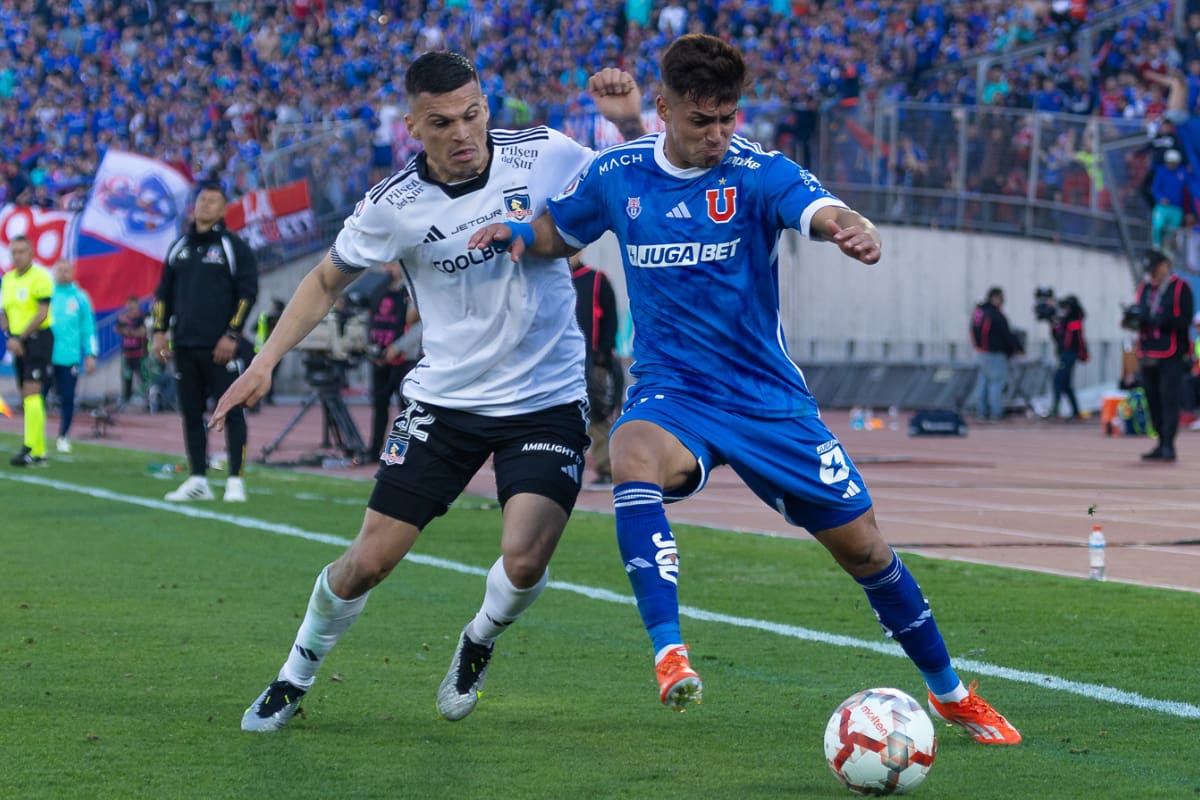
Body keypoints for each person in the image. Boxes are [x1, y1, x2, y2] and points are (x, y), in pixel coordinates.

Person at [468, 33, 1021, 745]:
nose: (721, 134)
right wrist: (516, 232)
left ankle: (948, 692)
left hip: (767, 401)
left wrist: (849, 227)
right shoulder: (619, 173)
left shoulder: (757, 170)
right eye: (705, 121)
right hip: (675, 394)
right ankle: (670, 654)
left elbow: (820, 209)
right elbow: (556, 232)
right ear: (664, 109)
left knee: (866, 552)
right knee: (630, 450)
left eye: (729, 117)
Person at [209, 52, 644, 731]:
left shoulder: (546, 155)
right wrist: (265, 360)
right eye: (442, 123)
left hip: (546, 398)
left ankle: (480, 638)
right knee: (367, 563)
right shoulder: (393, 207)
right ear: (413, 126)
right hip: (444, 403)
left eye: (473, 115)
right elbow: (326, 279)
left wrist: (629, 124)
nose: (463, 133)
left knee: (526, 559)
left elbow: (639, 181)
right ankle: (294, 675)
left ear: (486, 109)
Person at [152, 181, 258, 502]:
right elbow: (162, 294)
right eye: (202, 200)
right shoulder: (179, 247)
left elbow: (247, 293)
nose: (206, 205)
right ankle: (198, 479)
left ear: (224, 208)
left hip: (221, 348)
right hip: (184, 346)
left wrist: (231, 334)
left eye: (213, 201)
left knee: (232, 411)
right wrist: (159, 331)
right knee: (191, 413)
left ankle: (235, 482)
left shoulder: (233, 247)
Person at [1124, 249, 1194, 462]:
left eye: (1154, 269)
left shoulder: (1180, 288)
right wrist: (1133, 318)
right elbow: (1139, 315)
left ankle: (1168, 445)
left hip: (1170, 354)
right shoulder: (1145, 289)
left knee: (1168, 399)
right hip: (1147, 353)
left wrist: (1160, 318)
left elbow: (1184, 320)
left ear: (1165, 266)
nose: (1152, 274)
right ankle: (1159, 441)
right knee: (1152, 400)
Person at [1, 235, 54, 466]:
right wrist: (10, 337)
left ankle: (30, 447)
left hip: (38, 338)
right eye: (14, 252)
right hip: (17, 340)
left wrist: (19, 338)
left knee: (32, 392)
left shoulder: (41, 277)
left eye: (22, 251)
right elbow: (4, 312)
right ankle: (39, 450)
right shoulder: (8, 279)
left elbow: (42, 312)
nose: (17, 256)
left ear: (31, 253)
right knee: (27, 394)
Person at [570, 251, 620, 488]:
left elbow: (611, 318)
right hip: (556, 363)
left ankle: (607, 470)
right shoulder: (548, 277)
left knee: (597, 415)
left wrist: (603, 354)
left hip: (591, 361)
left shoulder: (597, 279)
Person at [366, 261, 419, 459]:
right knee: (379, 406)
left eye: (392, 265)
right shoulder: (376, 291)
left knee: (405, 411)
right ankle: (373, 450)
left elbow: (416, 324)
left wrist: (399, 347)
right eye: (384, 265)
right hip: (379, 358)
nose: (387, 269)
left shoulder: (410, 291)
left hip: (403, 360)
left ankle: (401, 453)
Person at [46, 258, 98, 452]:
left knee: (67, 398)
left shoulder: (80, 297)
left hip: (70, 358)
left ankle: (63, 436)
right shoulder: (47, 294)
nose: (63, 274)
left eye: (66, 270)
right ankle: (35, 435)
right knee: (37, 397)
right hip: (46, 357)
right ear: (54, 272)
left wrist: (91, 353)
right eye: (60, 270)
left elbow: (88, 328)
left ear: (72, 272)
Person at [970, 287, 1022, 421]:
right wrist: (1015, 348)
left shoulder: (979, 313)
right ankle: (996, 412)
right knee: (996, 383)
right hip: (995, 354)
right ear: (996, 298)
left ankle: (982, 412)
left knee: (983, 383)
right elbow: (1006, 334)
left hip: (981, 353)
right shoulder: (995, 315)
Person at [1049, 294, 1088, 420]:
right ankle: (1075, 411)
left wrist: (1083, 353)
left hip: (1069, 354)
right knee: (1065, 384)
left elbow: (1075, 340)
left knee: (1058, 381)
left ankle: (1055, 409)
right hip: (1065, 354)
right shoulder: (1065, 321)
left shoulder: (1074, 321)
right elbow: (1057, 336)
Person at [115, 295, 148, 407]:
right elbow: (117, 329)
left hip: (140, 354)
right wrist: (133, 332)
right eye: (129, 303)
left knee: (143, 377)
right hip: (127, 354)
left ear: (137, 304)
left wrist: (128, 332)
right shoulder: (123, 317)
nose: (131, 306)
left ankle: (146, 401)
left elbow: (143, 332)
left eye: (134, 303)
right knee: (126, 378)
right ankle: (126, 400)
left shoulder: (142, 317)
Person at [254, 298, 286, 405]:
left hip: (267, 351)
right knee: (269, 375)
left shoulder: (268, 317)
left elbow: (254, 329)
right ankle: (266, 398)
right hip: (272, 351)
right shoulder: (280, 318)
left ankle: (266, 398)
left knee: (269, 375)